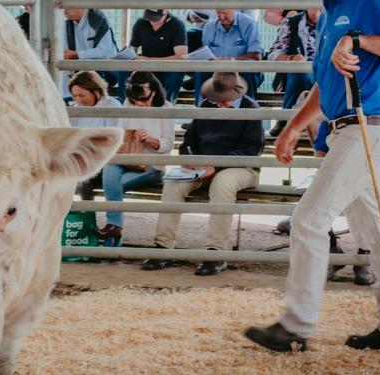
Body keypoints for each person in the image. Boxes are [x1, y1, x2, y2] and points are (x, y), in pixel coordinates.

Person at [245, 0, 380, 352]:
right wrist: (292, 126)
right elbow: (323, 82)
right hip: (348, 126)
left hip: (370, 124)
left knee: (309, 220)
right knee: (377, 234)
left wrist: (359, 40)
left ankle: (297, 325)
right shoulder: (328, 9)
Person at [142, 72, 264, 275]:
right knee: (172, 184)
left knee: (222, 184)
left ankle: (216, 252)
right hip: (202, 167)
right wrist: (189, 158)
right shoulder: (206, 106)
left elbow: (251, 150)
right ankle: (163, 246)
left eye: (224, 99)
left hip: (240, 167)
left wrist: (216, 166)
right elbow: (189, 142)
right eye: (218, 98)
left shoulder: (252, 109)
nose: (220, 103)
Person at [273, 119, 376, 286]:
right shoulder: (330, 121)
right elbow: (320, 154)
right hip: (338, 173)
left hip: (373, 176)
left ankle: (366, 256)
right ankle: (330, 249)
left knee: (374, 206)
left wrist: (355, 176)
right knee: (313, 204)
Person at [99, 72, 175, 247]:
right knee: (110, 169)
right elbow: (120, 133)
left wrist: (150, 140)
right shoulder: (127, 104)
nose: (139, 104)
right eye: (135, 100)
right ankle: (114, 228)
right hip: (126, 159)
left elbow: (168, 145)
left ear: (154, 91)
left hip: (152, 165)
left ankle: (114, 229)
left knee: (113, 186)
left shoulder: (166, 108)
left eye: (144, 98)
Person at [266, 0, 327, 137]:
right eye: (314, 8)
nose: (318, 14)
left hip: (324, 73)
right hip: (297, 75)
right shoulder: (291, 22)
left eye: (322, 9)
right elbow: (273, 53)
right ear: (306, 4)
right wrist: (290, 58)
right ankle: (286, 120)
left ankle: (313, 122)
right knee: (301, 72)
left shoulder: (332, 23)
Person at [194, 0, 264, 104]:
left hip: (241, 68)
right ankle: (201, 111)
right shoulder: (209, 27)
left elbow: (256, 55)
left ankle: (248, 112)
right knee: (200, 71)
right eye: (218, 12)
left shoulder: (248, 23)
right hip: (216, 69)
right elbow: (206, 53)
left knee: (249, 71)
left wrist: (231, 61)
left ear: (234, 8)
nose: (221, 17)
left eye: (225, 13)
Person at [117, 0, 188, 102]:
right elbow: (133, 49)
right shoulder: (141, 23)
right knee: (122, 68)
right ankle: (126, 103)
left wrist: (149, 60)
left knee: (177, 71)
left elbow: (181, 56)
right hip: (145, 66)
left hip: (166, 67)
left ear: (166, 12)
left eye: (156, 17)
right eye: (149, 16)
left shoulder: (177, 25)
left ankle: (166, 104)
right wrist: (127, 55)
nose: (152, 20)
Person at [68, 71, 122, 201]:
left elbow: (113, 139)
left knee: (81, 177)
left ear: (95, 91)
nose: (78, 100)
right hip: (85, 157)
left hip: (105, 160)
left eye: (82, 95)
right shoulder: (77, 108)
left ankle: (88, 212)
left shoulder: (111, 105)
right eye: (75, 96)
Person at [62, 0, 118, 98]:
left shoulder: (98, 19)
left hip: (103, 70)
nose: (64, 11)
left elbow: (105, 51)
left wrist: (77, 54)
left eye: (66, 7)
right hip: (80, 70)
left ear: (78, 6)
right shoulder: (68, 24)